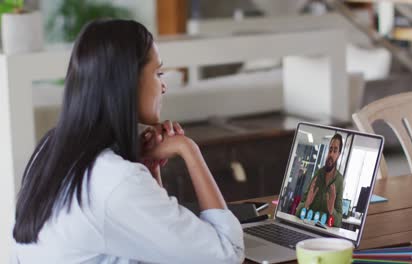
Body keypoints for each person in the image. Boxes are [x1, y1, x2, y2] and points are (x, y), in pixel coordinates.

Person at [11, 19, 244, 264]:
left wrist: (151, 170)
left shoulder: (50, 150)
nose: (163, 86)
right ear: (127, 82)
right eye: (158, 73)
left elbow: (160, 247)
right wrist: (189, 150)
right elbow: (227, 253)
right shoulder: (115, 179)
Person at [295, 134, 344, 227]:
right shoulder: (318, 174)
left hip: (323, 236)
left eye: (335, 150)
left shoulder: (339, 180)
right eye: (330, 149)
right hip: (307, 228)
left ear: (339, 154)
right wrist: (307, 203)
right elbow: (297, 212)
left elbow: (338, 222)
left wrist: (331, 209)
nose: (331, 154)